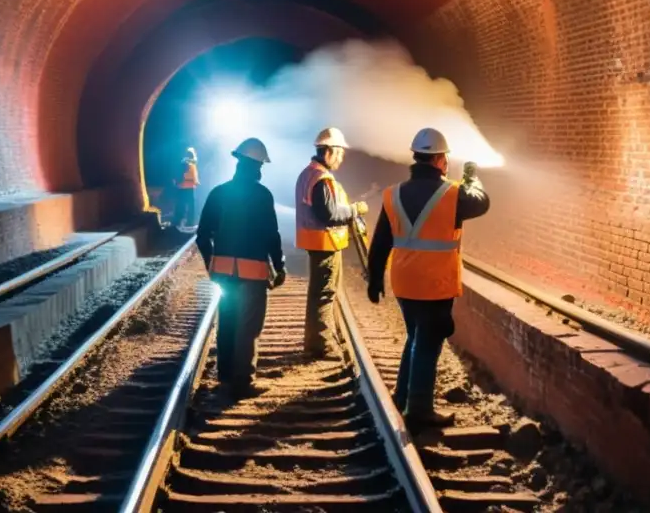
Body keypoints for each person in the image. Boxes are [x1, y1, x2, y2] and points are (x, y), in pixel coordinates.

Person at [366, 127, 490, 432]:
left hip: (405, 283)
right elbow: (481, 201)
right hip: (435, 283)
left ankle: (403, 394)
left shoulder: (393, 193)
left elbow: (380, 240)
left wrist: (374, 279)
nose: (447, 163)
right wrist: (472, 177)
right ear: (437, 159)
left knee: (415, 336)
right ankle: (419, 410)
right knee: (429, 342)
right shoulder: (452, 193)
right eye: (445, 157)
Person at [196, 138, 287, 399]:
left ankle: (225, 376)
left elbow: (202, 236)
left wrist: (210, 264)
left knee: (227, 321)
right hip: (253, 273)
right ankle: (243, 381)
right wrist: (279, 266)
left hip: (223, 274)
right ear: (257, 166)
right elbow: (272, 235)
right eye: (261, 165)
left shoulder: (219, 193)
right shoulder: (262, 195)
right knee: (248, 327)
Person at [294, 127, 368, 359]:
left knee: (321, 292)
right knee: (324, 294)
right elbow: (329, 213)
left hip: (317, 241)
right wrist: (355, 209)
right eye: (340, 153)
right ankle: (321, 345)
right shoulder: (322, 178)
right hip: (325, 241)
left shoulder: (308, 173)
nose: (341, 158)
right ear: (329, 152)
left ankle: (320, 339)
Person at [173, 147, 199, 230]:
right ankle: (183, 221)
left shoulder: (188, 162)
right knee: (186, 205)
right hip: (185, 186)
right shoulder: (187, 162)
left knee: (184, 205)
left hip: (186, 186)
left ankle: (184, 221)